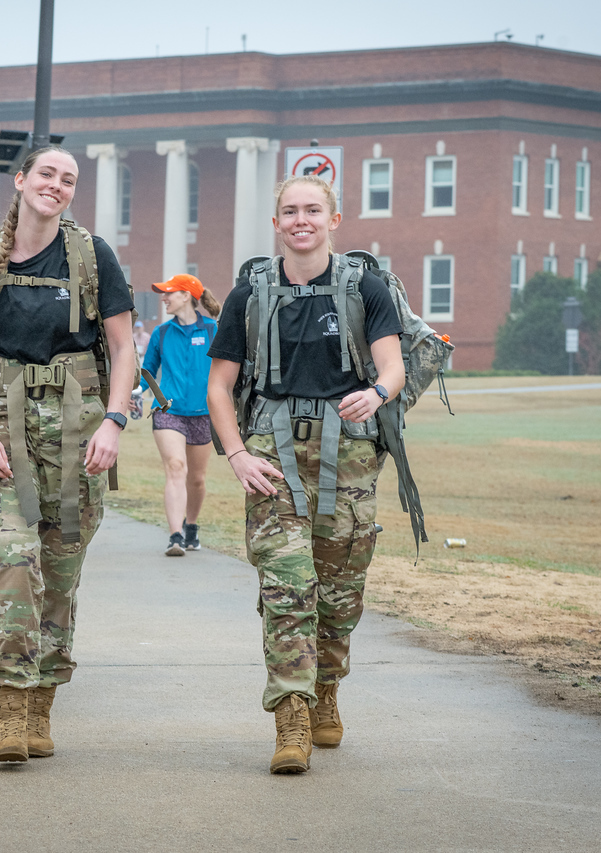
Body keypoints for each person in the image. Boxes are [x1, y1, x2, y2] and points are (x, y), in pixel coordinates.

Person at [0, 145, 135, 762]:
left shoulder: (93, 255)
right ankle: (9, 709)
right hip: (1, 430)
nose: (56, 185)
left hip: (79, 432)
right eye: (46, 173)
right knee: (8, 561)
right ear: (20, 180)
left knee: (59, 572)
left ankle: (44, 701)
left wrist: (114, 420)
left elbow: (125, 348)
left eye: (68, 179)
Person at [206, 175, 404, 774]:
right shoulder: (249, 294)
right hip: (272, 453)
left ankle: (326, 691)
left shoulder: (364, 287)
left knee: (340, 596)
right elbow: (218, 386)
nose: (301, 220)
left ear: (333, 219)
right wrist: (237, 453)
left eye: (312, 210)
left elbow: (392, 368)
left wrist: (375, 394)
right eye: (289, 212)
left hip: (349, 459)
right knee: (288, 587)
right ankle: (290, 718)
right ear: (275, 224)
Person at [133, 274, 220, 556]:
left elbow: (227, 368)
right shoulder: (161, 333)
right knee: (175, 467)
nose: (164, 298)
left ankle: (191, 525)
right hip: (168, 411)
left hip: (203, 413)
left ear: (187, 296)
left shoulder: (212, 330)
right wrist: (136, 392)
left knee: (196, 478)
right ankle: (175, 536)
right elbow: (148, 371)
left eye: (169, 293)